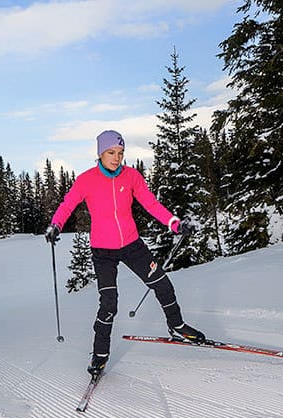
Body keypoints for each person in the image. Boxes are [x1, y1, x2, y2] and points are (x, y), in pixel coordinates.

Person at [44, 129, 205, 376]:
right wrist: (55, 225)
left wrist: (174, 223)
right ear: (100, 153)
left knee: (162, 284)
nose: (117, 158)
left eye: (120, 153)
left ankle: (177, 326)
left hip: (131, 245)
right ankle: (99, 354)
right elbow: (68, 205)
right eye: (111, 152)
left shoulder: (131, 177)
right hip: (103, 250)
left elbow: (151, 203)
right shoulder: (86, 180)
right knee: (109, 303)